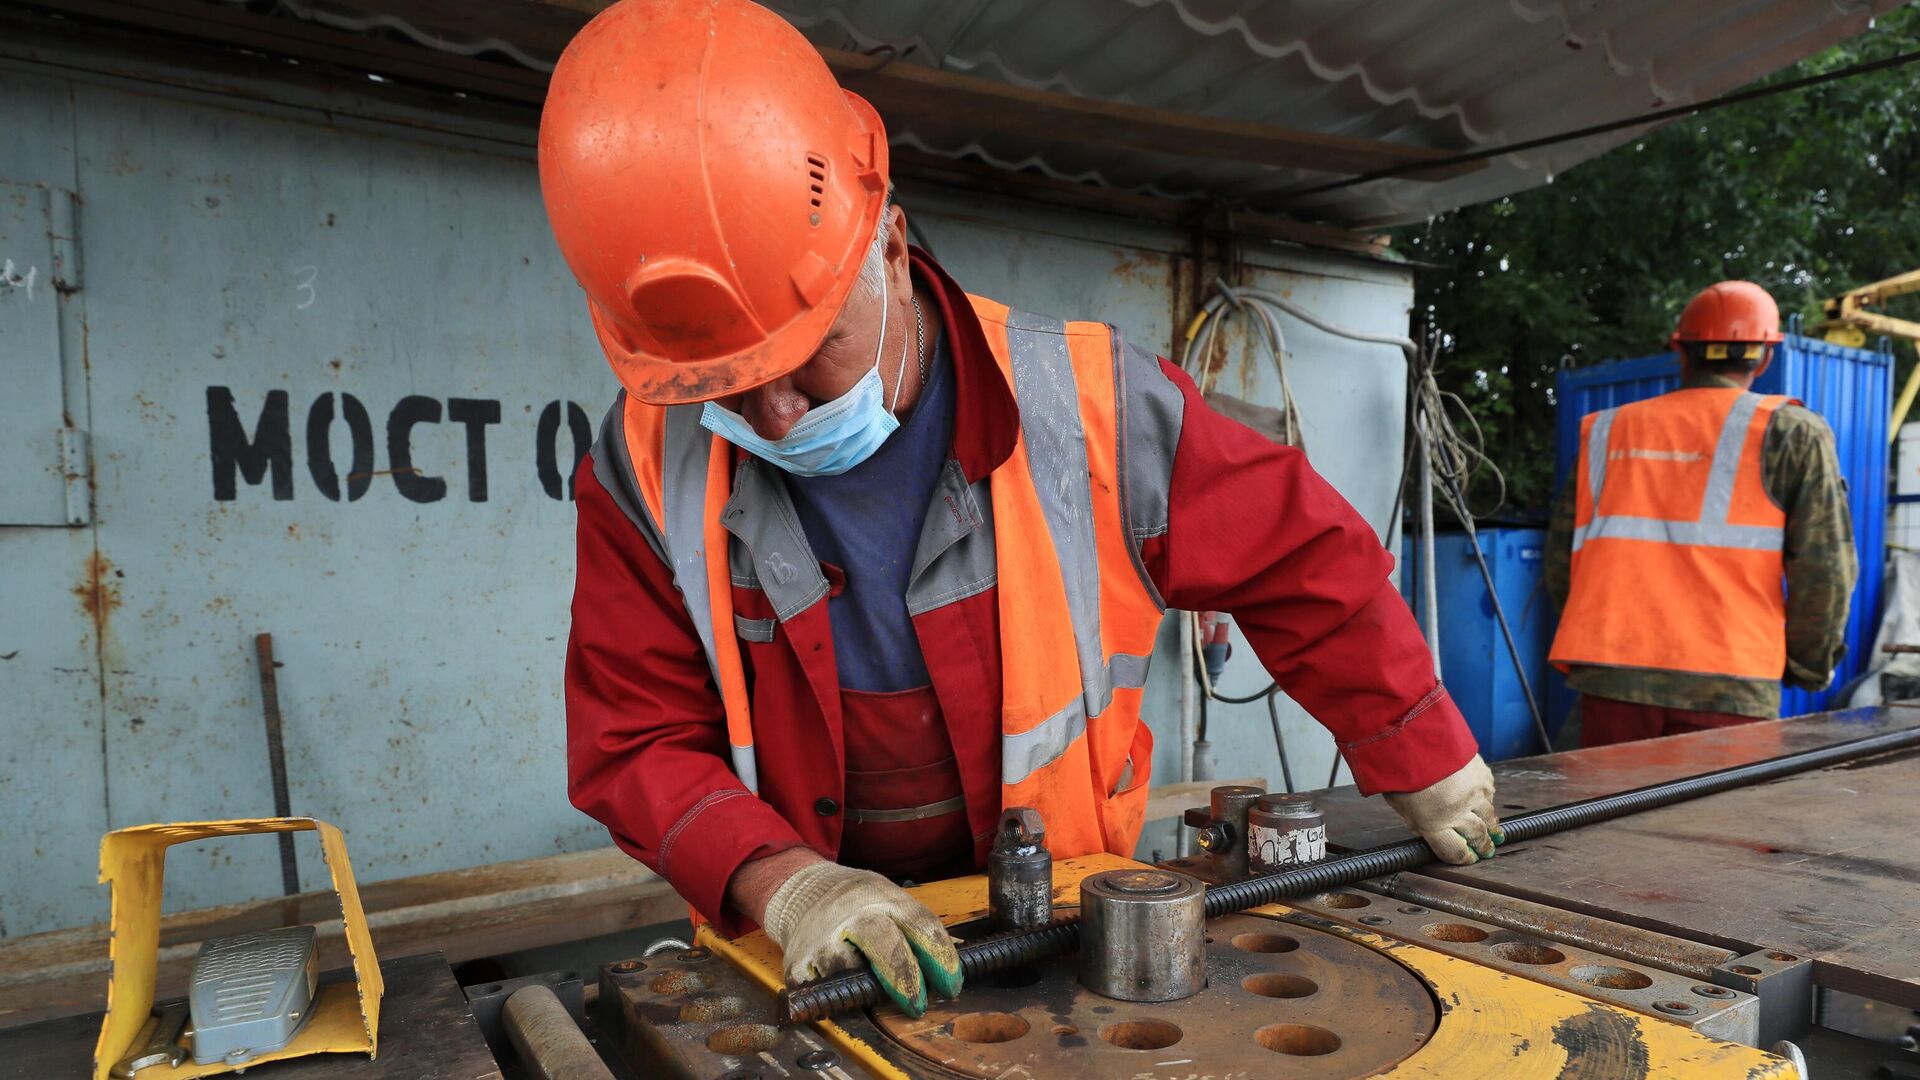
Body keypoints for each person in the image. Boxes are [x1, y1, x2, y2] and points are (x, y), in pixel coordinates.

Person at [542, 0, 1501, 1017]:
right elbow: (634, 739)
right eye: (725, 385)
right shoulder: (640, 466)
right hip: (810, 965)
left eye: (807, 357)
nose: (775, 417)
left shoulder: (1090, 404)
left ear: (892, 248)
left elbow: (1300, 559)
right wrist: (790, 887)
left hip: (1067, 949)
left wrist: (1420, 746)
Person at [1547, 281, 1855, 747]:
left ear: (1681, 351)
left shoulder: (1609, 431)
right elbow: (1825, 570)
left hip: (1611, 679)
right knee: (1716, 821)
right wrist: (1809, 665)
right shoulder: (1793, 432)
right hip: (1731, 684)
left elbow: (1560, 562)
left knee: (1600, 817)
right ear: (1765, 357)